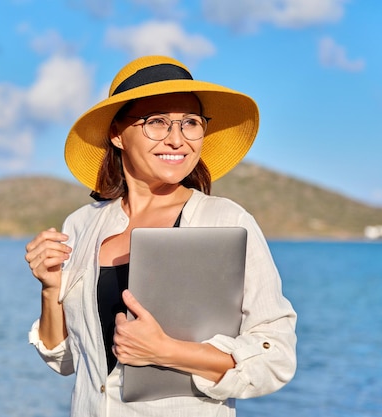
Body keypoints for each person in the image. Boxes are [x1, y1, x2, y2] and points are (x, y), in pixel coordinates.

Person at [25, 55, 297, 416]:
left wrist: (165, 350)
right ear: (117, 133)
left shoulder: (227, 222)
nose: (177, 140)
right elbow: (65, 361)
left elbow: (275, 356)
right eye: (157, 123)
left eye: (190, 123)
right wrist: (49, 288)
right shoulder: (80, 225)